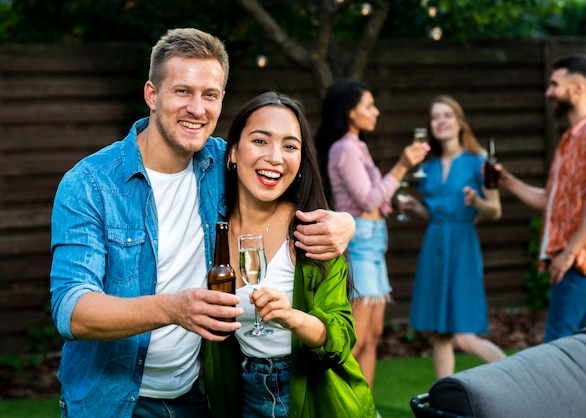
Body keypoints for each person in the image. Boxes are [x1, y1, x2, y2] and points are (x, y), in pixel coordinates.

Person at [49, 28, 356, 417]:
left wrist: (346, 223)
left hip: (197, 398)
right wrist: (174, 308)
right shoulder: (90, 183)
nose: (197, 108)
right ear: (152, 95)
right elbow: (71, 309)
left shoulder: (221, 163)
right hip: (112, 401)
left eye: (209, 95)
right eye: (182, 91)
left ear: (221, 100)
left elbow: (287, 180)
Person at [203, 91, 377, 418]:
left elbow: (340, 339)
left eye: (289, 146)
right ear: (233, 153)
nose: (275, 157)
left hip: (315, 399)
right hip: (243, 394)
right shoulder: (210, 228)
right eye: (260, 141)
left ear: (300, 162)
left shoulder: (314, 232)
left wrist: (291, 317)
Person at [496, 55, 586, 343]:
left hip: (577, 262)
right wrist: (507, 181)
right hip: (570, 260)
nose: (548, 92)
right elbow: (551, 201)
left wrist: (568, 254)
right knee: (583, 349)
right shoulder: (571, 139)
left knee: (558, 348)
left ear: (578, 88)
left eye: (554, 84)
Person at [315, 79, 429, 389]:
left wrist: (393, 201)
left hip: (375, 242)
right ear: (351, 112)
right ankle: (339, 402)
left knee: (374, 336)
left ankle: (365, 405)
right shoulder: (345, 148)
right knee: (357, 336)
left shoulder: (359, 146)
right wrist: (403, 165)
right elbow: (366, 201)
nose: (375, 112)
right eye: (369, 105)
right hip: (361, 243)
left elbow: (374, 197)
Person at [399, 95, 506, 379]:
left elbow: (495, 210)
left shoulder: (479, 162)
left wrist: (475, 202)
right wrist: (416, 207)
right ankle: (443, 400)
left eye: (447, 115)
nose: (441, 121)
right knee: (440, 334)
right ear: (430, 126)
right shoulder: (429, 167)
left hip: (462, 248)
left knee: (463, 336)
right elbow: (438, 213)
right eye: (435, 117)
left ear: (459, 122)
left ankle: (517, 378)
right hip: (433, 244)